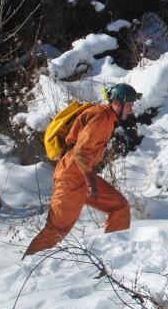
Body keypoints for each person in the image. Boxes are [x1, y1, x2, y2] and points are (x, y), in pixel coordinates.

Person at [23, 84, 140, 256]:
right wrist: (91, 182)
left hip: (82, 175)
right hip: (71, 176)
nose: (131, 109)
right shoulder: (101, 118)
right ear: (117, 103)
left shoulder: (107, 118)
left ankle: (113, 256)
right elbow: (81, 152)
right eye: (129, 104)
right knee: (56, 229)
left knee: (119, 207)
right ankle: (27, 268)